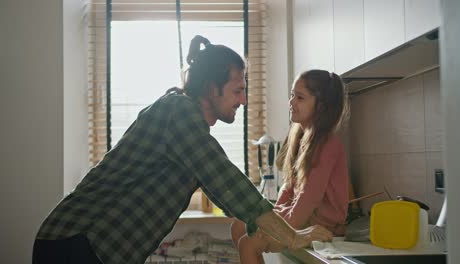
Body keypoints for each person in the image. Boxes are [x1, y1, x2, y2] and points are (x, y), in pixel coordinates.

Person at [32, 36, 333, 264]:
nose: (243, 100)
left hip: (92, 247)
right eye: (237, 90)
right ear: (211, 88)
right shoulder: (178, 112)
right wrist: (291, 236)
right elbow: (223, 179)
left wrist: (271, 229)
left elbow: (227, 194)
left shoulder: (188, 124)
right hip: (75, 242)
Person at [231, 69, 350, 263]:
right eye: (292, 95)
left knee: (248, 244)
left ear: (321, 106)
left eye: (300, 98)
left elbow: (309, 198)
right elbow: (289, 186)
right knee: (238, 225)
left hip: (320, 226)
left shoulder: (328, 144)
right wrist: (274, 217)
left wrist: (288, 231)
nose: (291, 102)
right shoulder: (300, 137)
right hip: (302, 217)